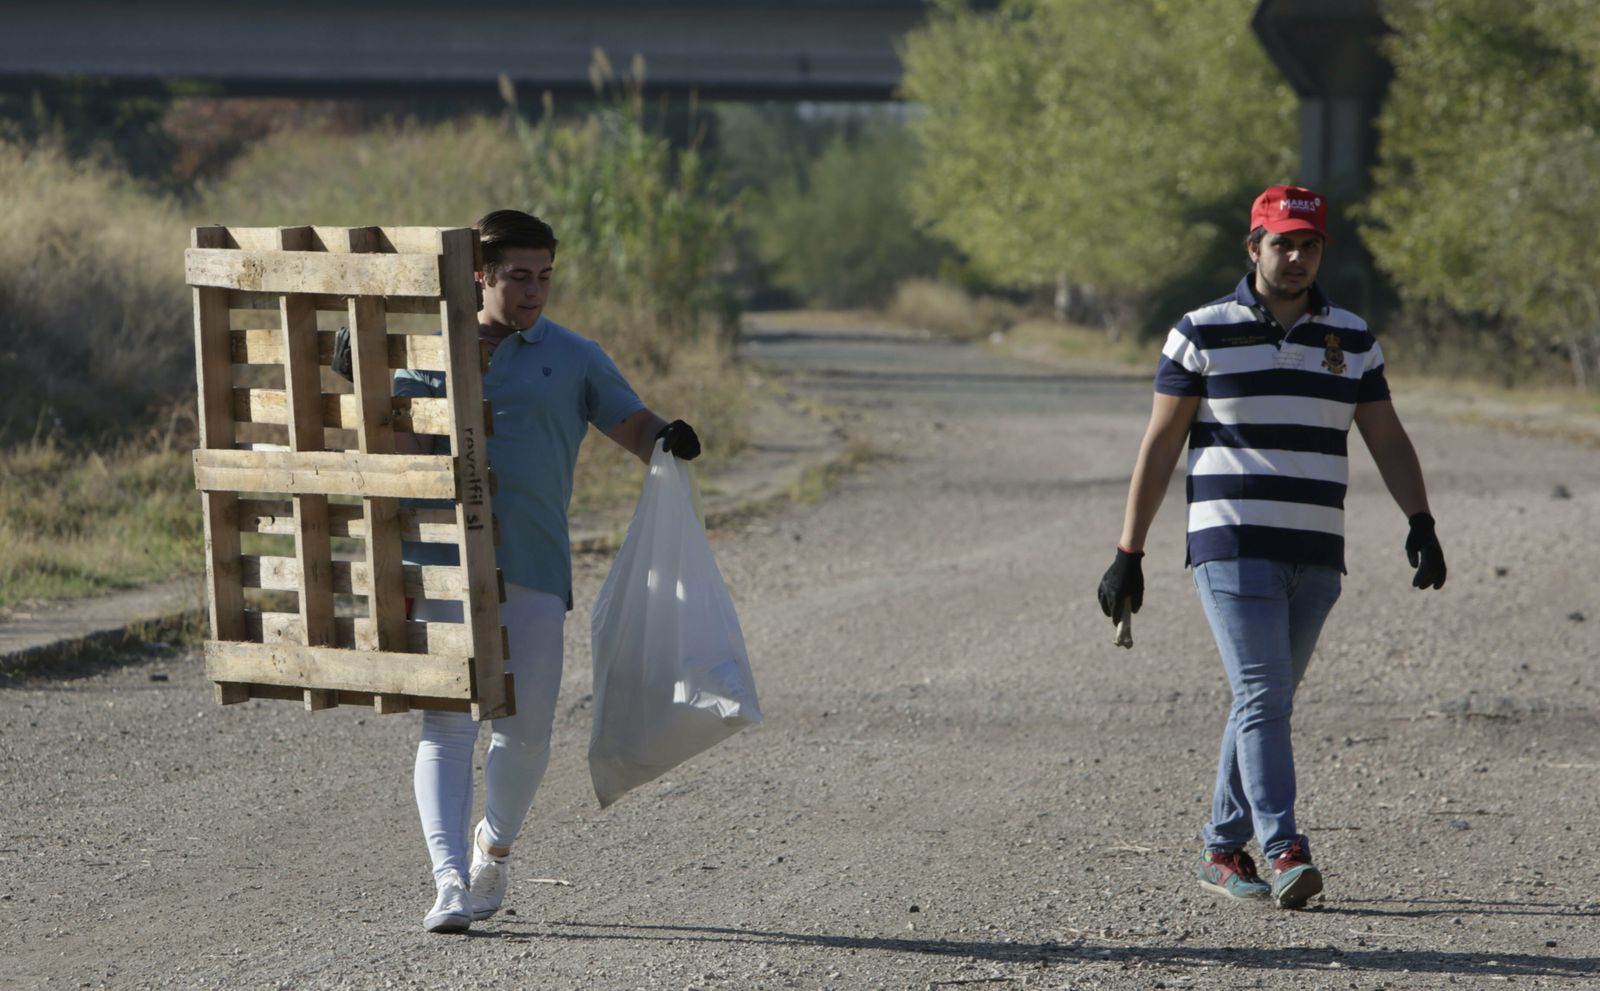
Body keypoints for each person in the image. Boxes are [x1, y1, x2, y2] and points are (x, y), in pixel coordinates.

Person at [1096, 185, 1447, 910]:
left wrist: (1421, 520)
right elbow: (1161, 445)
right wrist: (1129, 551)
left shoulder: (1351, 338)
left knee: (1267, 698)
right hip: (1230, 543)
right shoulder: (1201, 331)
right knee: (1262, 692)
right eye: (1282, 244)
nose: (1295, 258)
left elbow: (1386, 435)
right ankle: (1284, 846)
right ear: (1253, 247)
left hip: (1317, 550)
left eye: (1309, 245)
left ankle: (1223, 849)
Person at [393, 209, 703, 933]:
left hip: (533, 563)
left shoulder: (574, 355)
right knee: (446, 725)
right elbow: (396, 443)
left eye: (544, 276)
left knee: (526, 731)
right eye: (518, 276)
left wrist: (668, 437)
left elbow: (631, 424)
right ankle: (446, 881)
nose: (534, 290)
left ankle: (492, 850)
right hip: (441, 561)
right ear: (481, 275)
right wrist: (368, 374)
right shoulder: (431, 349)